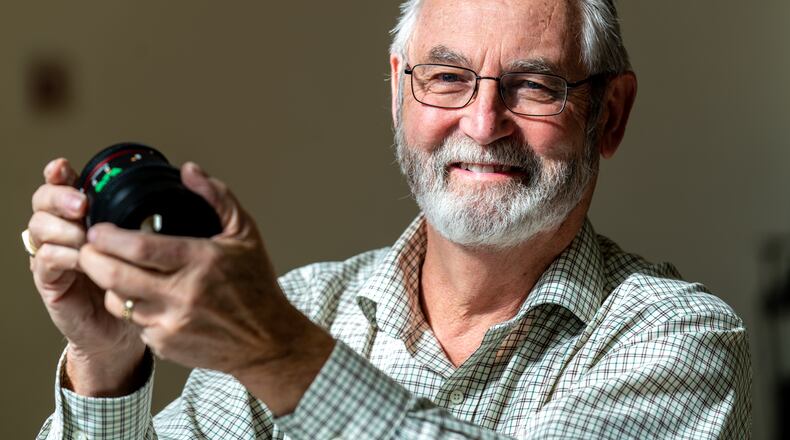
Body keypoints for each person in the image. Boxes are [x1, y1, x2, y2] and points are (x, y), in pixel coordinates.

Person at [27, 0, 750, 438]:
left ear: (609, 114)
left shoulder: (676, 338)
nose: (483, 123)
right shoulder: (302, 305)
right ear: (399, 93)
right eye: (448, 78)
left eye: (534, 85)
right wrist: (105, 364)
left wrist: (280, 357)